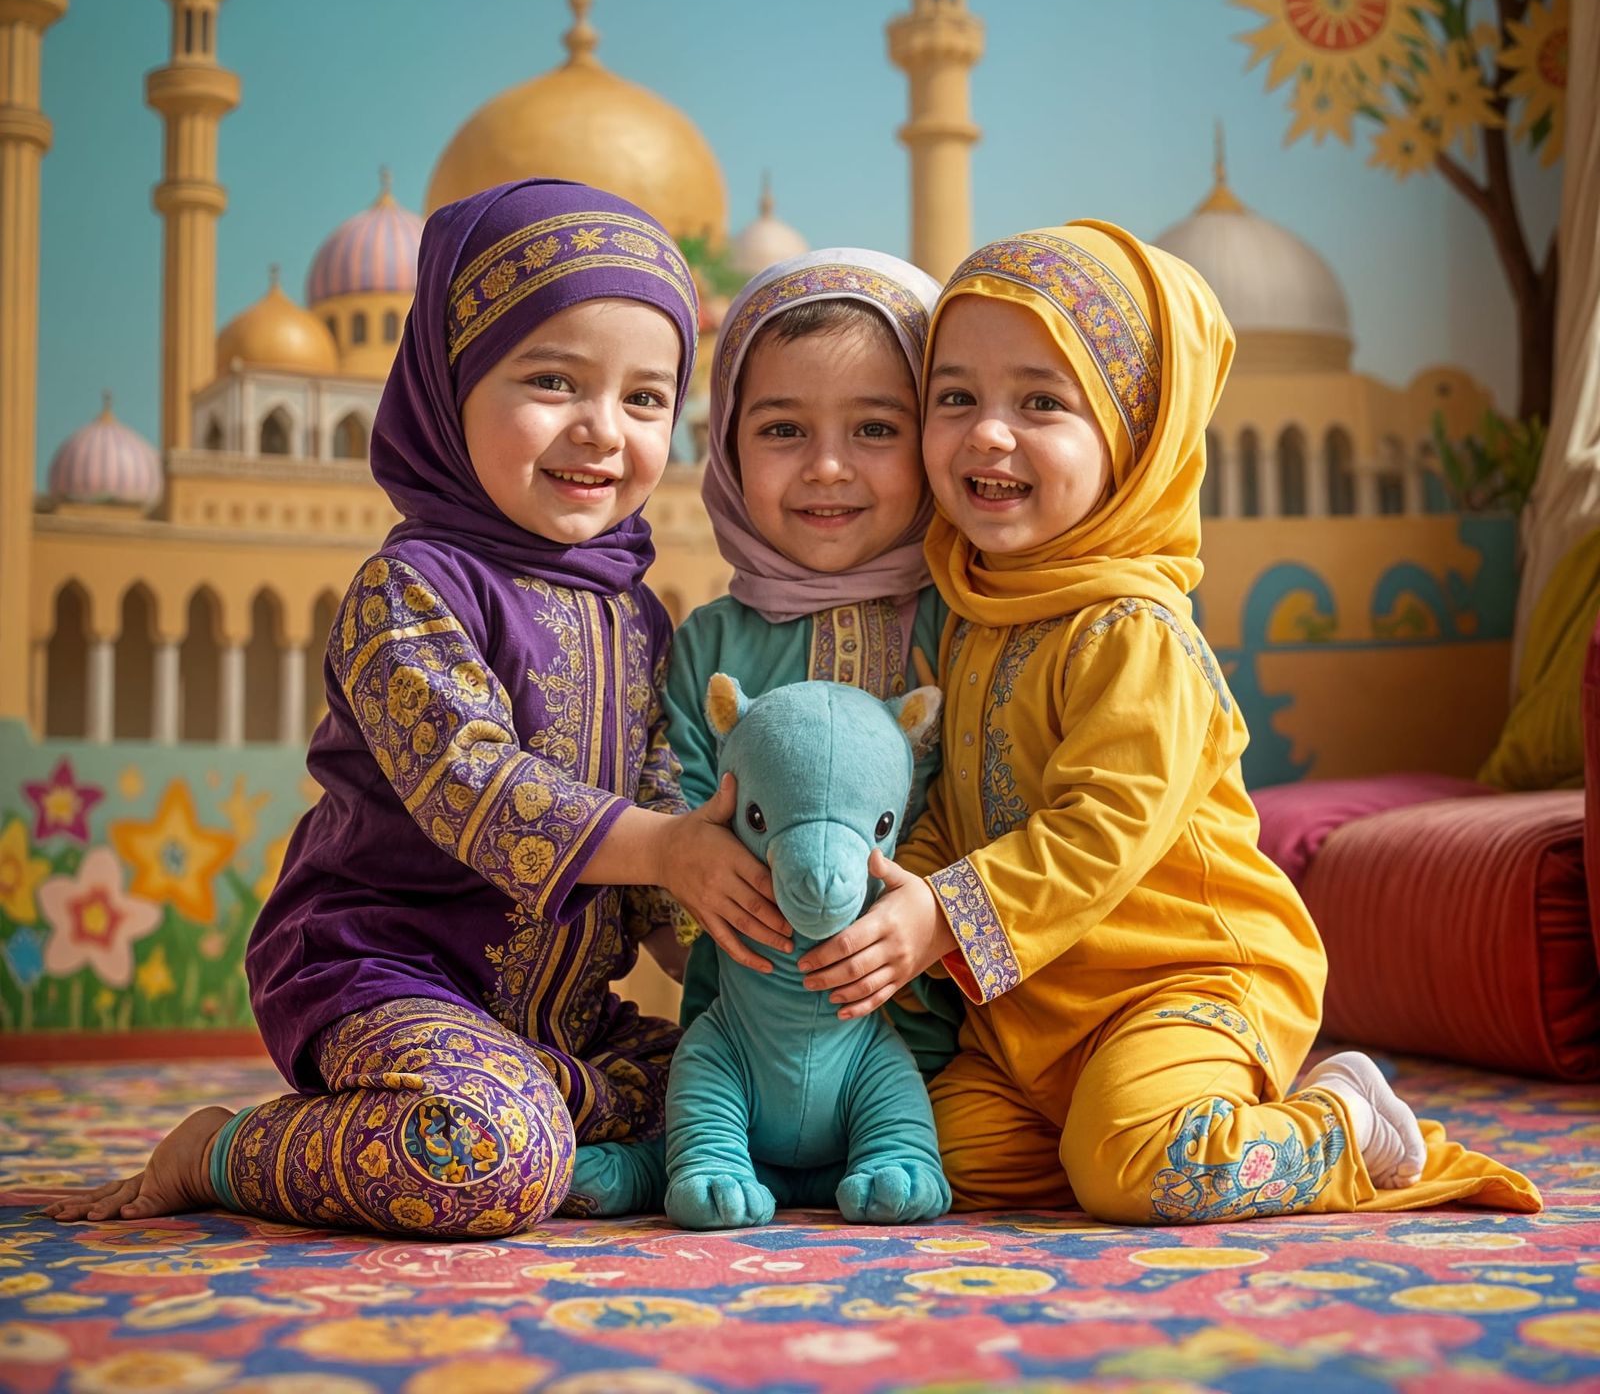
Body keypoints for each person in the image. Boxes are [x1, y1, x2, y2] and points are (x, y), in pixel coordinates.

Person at [46, 179, 790, 1238]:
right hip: (380, 974)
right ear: (448, 382)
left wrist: (746, 934)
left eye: (643, 399)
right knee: (484, 1158)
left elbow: (667, 816)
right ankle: (221, 1147)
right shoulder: (413, 592)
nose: (600, 429)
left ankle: (546, 1102)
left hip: (562, 1021)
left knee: (759, 1101)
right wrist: (671, 849)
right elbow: (475, 787)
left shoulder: (636, 616)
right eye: (551, 379)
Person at [796, 220, 1541, 1222]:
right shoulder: (974, 610)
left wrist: (942, 916)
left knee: (1134, 1165)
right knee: (941, 1157)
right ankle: (1145, 1118)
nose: (988, 433)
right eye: (955, 396)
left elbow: (1101, 827)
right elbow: (959, 807)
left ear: (1135, 437)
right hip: (1036, 1006)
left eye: (1043, 403)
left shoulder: (1131, 631)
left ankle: (1342, 1126)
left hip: (1182, 978)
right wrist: (895, 889)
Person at [666, 249, 964, 1077]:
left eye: (875, 428)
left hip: (956, 1042)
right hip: (742, 1041)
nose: (827, 466)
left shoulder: (968, 622)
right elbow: (681, 815)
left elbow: (988, 806)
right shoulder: (708, 646)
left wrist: (924, 914)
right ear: (725, 442)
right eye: (782, 430)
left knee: (993, 1164)